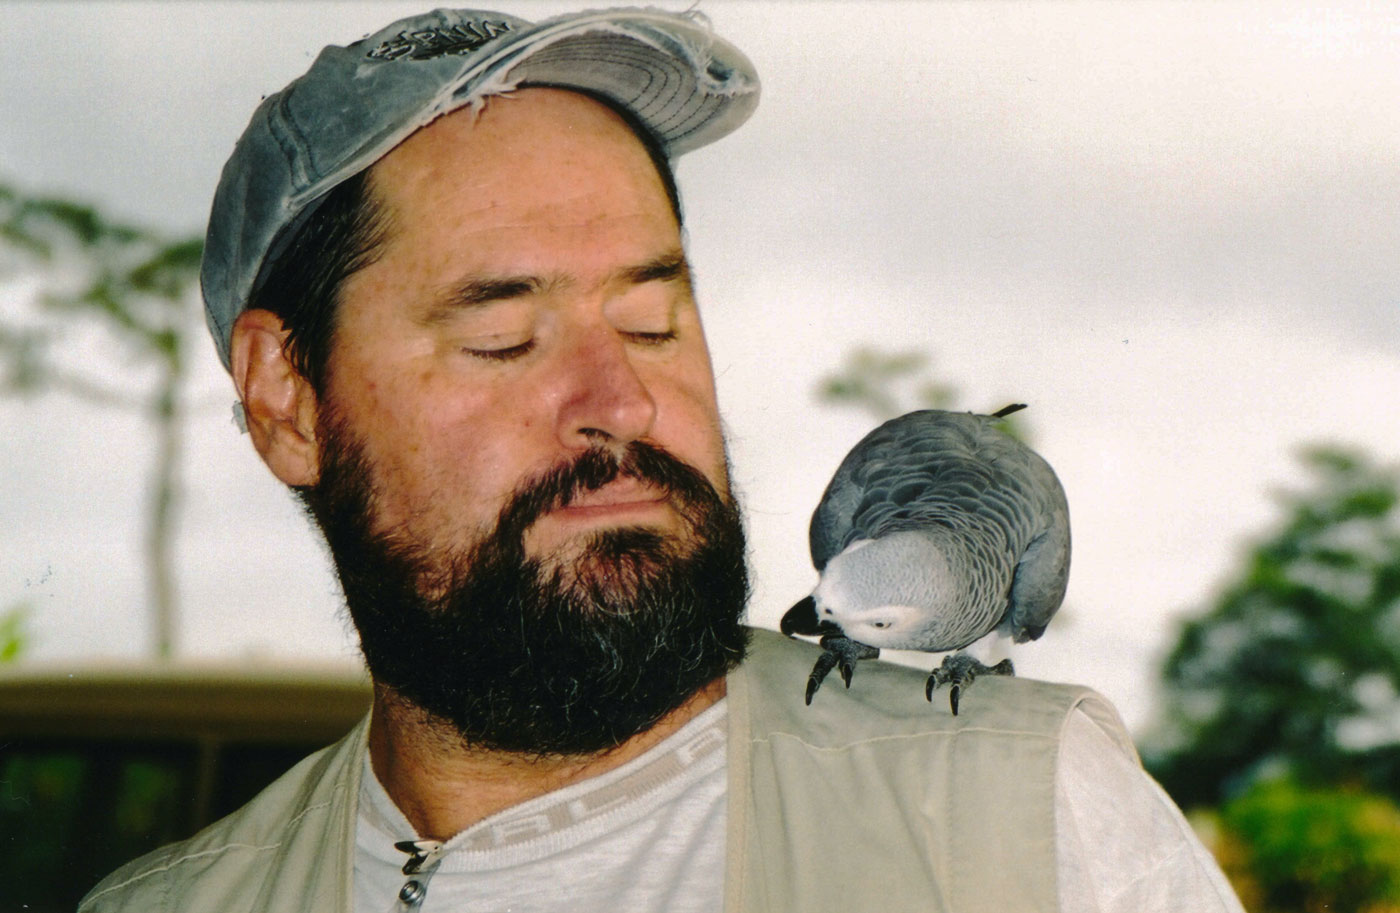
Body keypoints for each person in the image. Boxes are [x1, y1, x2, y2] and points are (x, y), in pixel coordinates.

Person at [81, 7, 1244, 912]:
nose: (625, 400)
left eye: (652, 320)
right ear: (286, 402)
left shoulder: (1025, 826)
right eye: (502, 335)